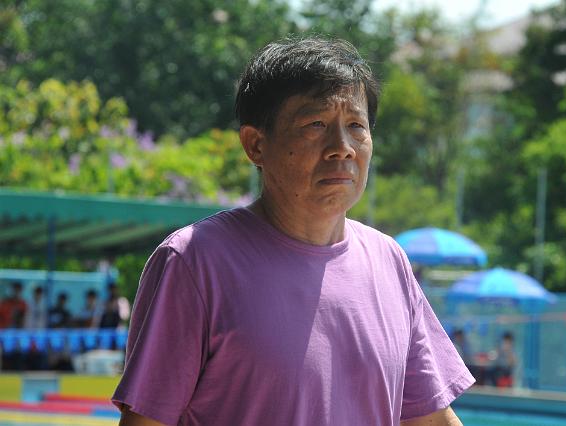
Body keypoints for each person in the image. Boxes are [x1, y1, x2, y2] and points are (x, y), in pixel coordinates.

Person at [113, 36, 474, 426]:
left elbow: (432, 419)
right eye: (316, 124)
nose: (342, 147)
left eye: (356, 126)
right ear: (255, 144)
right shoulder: (195, 262)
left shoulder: (389, 262)